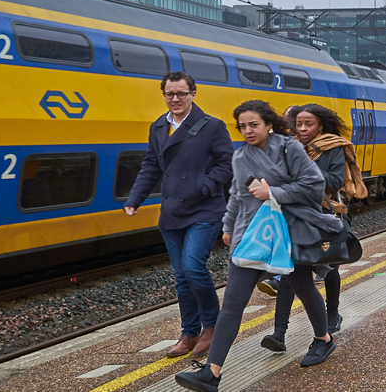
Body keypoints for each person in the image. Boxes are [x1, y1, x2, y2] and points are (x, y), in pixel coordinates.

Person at [174, 102, 338, 392]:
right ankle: (212, 373)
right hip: (250, 237)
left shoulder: (289, 149)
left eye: (254, 125)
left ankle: (323, 339)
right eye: (243, 126)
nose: (248, 131)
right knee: (232, 305)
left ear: (269, 124)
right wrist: (228, 227)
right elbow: (236, 196)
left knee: (304, 288)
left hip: (288, 235)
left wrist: (272, 192)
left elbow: (313, 185)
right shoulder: (240, 157)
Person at [125, 72, 234, 359]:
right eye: (169, 94)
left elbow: (227, 165)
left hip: (205, 208)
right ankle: (188, 333)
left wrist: (205, 186)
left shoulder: (212, 126)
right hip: (172, 210)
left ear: (193, 94)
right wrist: (135, 199)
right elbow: (151, 165)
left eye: (181, 94)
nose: (174, 99)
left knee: (193, 267)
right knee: (181, 276)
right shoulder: (159, 126)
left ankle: (212, 326)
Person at [263, 104, 355, 351]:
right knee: (288, 272)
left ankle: (332, 313)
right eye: (299, 124)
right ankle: (279, 333)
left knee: (328, 268)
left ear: (320, 125)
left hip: (324, 214)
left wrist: (303, 166)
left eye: (309, 124)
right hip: (294, 216)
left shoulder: (333, 147)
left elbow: (335, 180)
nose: (302, 129)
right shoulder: (288, 145)